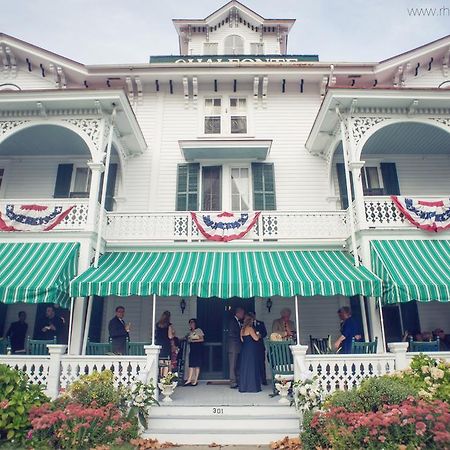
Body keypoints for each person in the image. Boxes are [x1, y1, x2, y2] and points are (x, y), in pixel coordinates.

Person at [238, 313, 262, 393]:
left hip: (244, 349)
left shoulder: (242, 329)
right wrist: (258, 335)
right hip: (251, 350)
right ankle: (252, 387)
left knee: (245, 368)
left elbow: (242, 340)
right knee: (252, 367)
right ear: (250, 321)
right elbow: (255, 339)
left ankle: (244, 387)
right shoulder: (250, 328)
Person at [184, 318, 205, 386]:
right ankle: (189, 379)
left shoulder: (199, 330)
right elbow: (188, 339)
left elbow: (202, 339)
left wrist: (193, 341)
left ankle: (195, 380)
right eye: (190, 323)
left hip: (198, 349)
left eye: (192, 323)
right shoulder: (190, 332)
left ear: (195, 323)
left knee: (197, 364)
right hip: (192, 349)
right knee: (191, 364)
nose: (191, 324)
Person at [228, 306, 245, 389]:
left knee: (238, 364)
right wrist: (240, 337)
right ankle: (233, 382)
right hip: (233, 346)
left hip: (238, 347)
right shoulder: (232, 321)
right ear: (238, 313)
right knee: (233, 365)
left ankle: (237, 380)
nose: (243, 315)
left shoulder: (239, 322)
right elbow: (231, 334)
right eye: (242, 313)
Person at [250, 311, 268, 385]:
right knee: (252, 364)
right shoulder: (248, 325)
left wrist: (260, 335)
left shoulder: (260, 323)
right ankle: (253, 380)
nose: (252, 317)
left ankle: (263, 379)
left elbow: (265, 333)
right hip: (251, 347)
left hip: (260, 346)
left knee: (261, 364)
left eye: (253, 315)